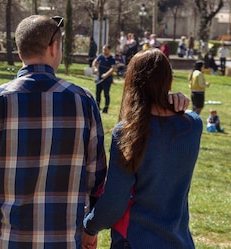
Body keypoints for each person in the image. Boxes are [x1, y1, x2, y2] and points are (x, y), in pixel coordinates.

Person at [0, 15, 108, 249]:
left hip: (7, 238)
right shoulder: (83, 101)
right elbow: (96, 176)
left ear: (19, 53)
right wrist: (90, 227)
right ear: (54, 47)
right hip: (65, 238)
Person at [83, 49, 201, 249]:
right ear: (169, 81)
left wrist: (89, 228)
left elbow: (114, 201)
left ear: (132, 84)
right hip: (179, 241)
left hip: (134, 240)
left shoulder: (127, 132)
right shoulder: (193, 125)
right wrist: (172, 99)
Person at [93, 44, 116, 114]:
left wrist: (106, 74)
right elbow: (94, 62)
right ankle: (97, 107)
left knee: (106, 94)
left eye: (105, 50)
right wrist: (95, 68)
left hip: (107, 80)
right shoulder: (101, 56)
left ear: (109, 50)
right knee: (97, 93)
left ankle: (105, 109)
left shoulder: (112, 58)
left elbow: (113, 68)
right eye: (103, 49)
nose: (104, 51)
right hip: (99, 78)